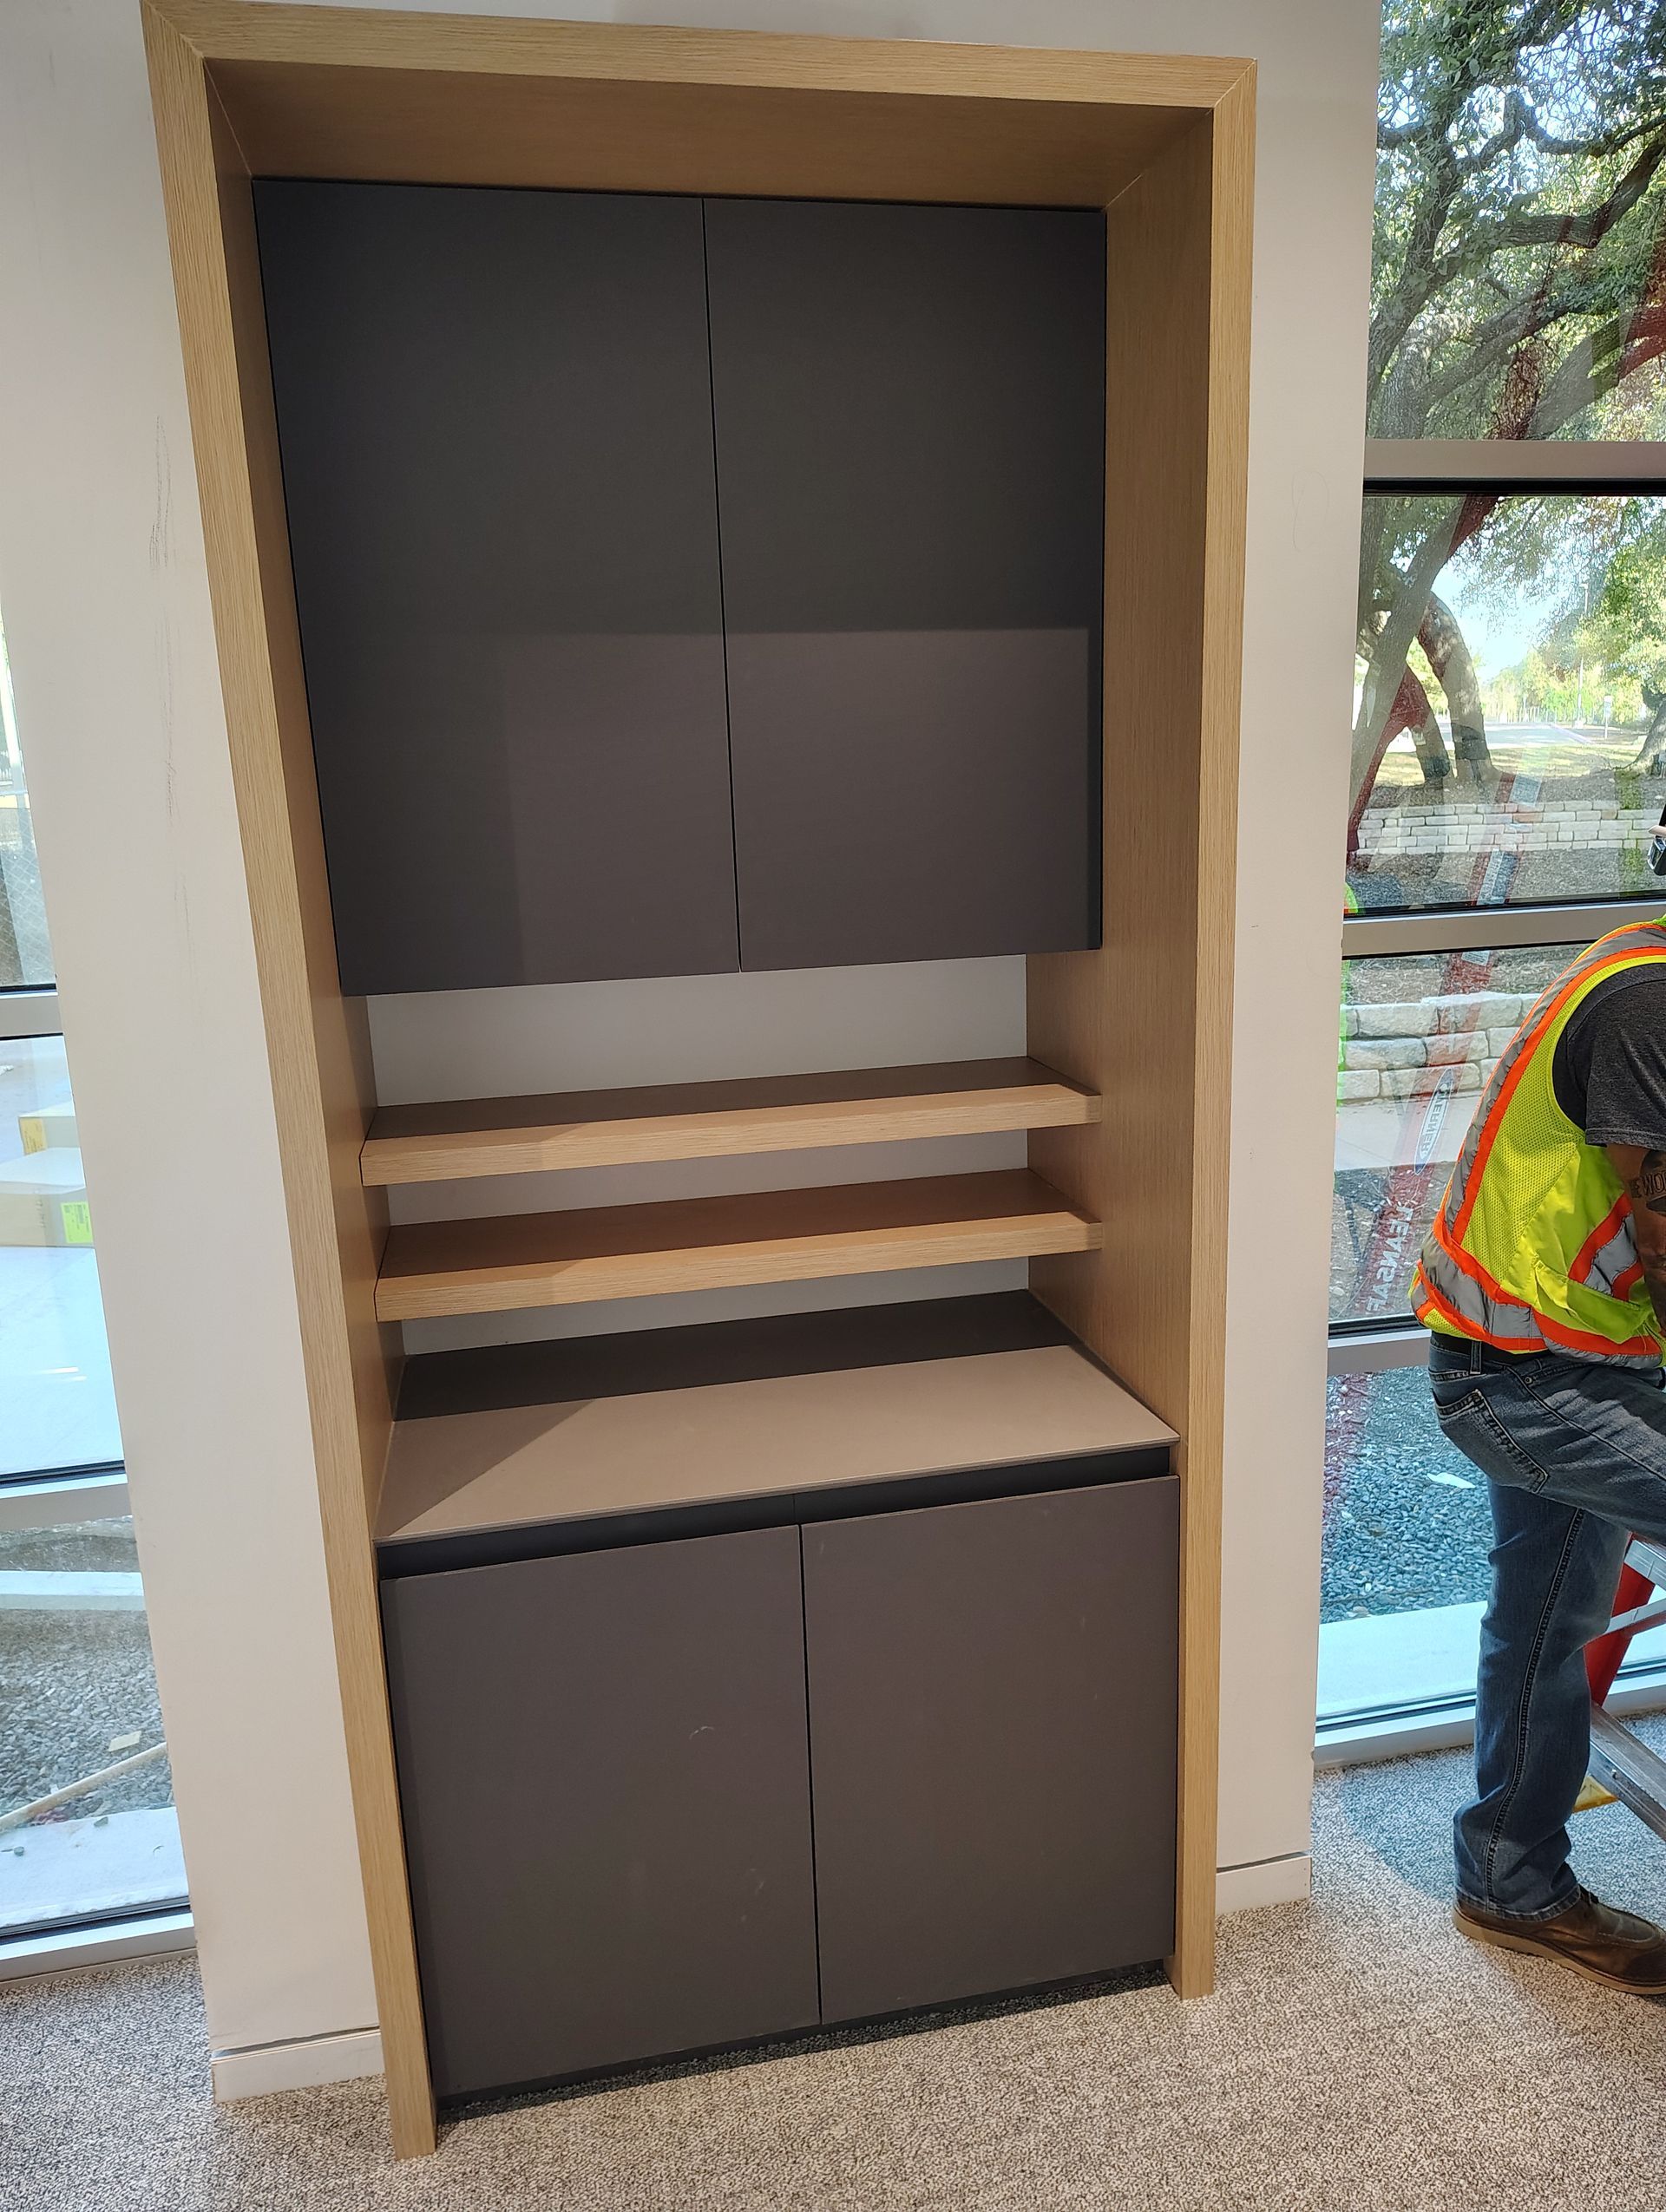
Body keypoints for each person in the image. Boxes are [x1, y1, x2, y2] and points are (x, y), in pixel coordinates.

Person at [1413, 913, 1666, 1992]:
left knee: (1547, 1625)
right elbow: (1664, 1230)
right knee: (1545, 1625)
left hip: (1575, 1360)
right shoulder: (1649, 1004)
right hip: (1523, 1382)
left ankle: (1510, 1883)